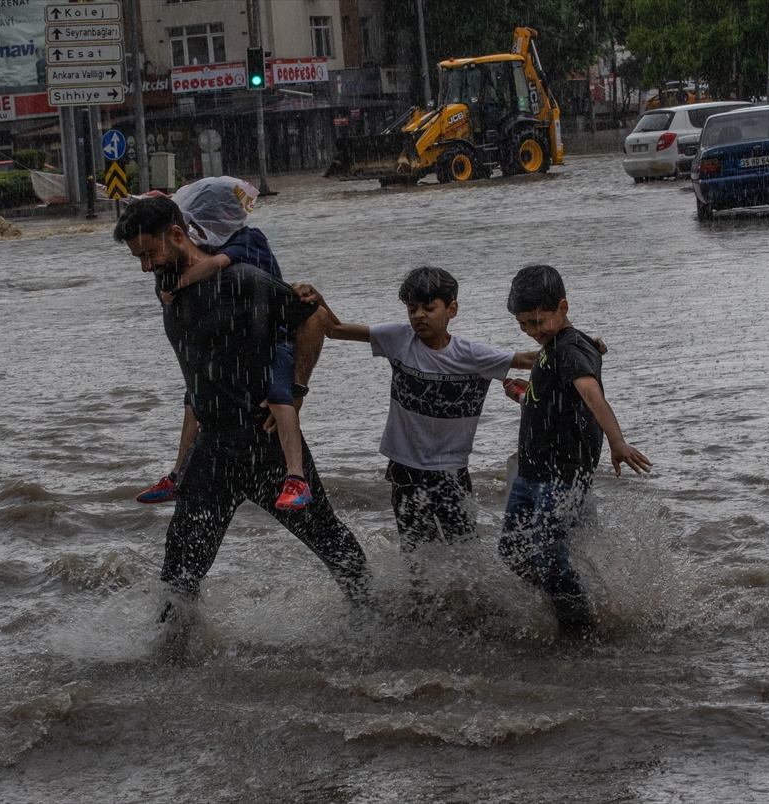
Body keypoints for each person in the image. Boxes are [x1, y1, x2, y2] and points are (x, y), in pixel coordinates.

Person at [113, 196, 374, 618]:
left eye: (150, 254)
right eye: (138, 259)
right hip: (212, 451)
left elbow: (311, 316)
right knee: (179, 573)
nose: (146, 266)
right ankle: (170, 661)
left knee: (330, 540)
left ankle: (373, 623)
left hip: (264, 442)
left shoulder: (243, 280)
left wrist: (296, 391)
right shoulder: (168, 287)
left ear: (177, 236)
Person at [295, 267, 536, 554]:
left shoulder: (472, 355)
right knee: (416, 553)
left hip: (451, 470)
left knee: (466, 551)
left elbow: (525, 359)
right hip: (405, 468)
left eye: (429, 308)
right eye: (412, 308)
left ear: (451, 309)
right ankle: (419, 597)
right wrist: (318, 300)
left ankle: (467, 600)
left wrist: (576, 347)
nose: (419, 315)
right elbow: (335, 330)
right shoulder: (398, 338)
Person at [134, 178, 311, 510]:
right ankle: (176, 474)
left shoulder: (246, 242)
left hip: (277, 341)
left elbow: (215, 266)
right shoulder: (209, 249)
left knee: (278, 395)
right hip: (220, 426)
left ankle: (295, 476)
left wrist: (176, 286)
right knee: (192, 398)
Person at [499, 264, 651, 636]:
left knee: (548, 558)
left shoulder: (570, 349)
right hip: (530, 473)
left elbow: (589, 392)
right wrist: (524, 393)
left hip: (561, 476)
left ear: (563, 307)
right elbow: (557, 401)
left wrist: (616, 440)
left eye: (538, 322)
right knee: (512, 551)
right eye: (523, 325)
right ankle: (572, 597)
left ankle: (579, 628)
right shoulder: (555, 347)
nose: (532, 332)